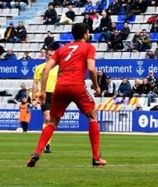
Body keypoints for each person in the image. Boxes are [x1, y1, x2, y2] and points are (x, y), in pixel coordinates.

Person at [27, 23, 105, 168]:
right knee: (92, 117)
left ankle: (37, 153)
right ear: (86, 34)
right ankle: (96, 158)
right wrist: (96, 86)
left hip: (60, 87)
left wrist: (42, 92)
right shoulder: (89, 47)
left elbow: (46, 70)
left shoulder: (61, 49)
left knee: (52, 123)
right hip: (77, 86)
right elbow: (91, 68)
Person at [32, 44, 59, 154]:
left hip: (57, 95)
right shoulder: (40, 68)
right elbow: (35, 83)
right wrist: (34, 98)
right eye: (49, 55)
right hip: (45, 95)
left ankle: (46, 141)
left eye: (52, 55)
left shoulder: (59, 67)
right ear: (45, 56)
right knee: (47, 118)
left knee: (52, 121)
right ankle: (46, 144)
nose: (50, 57)